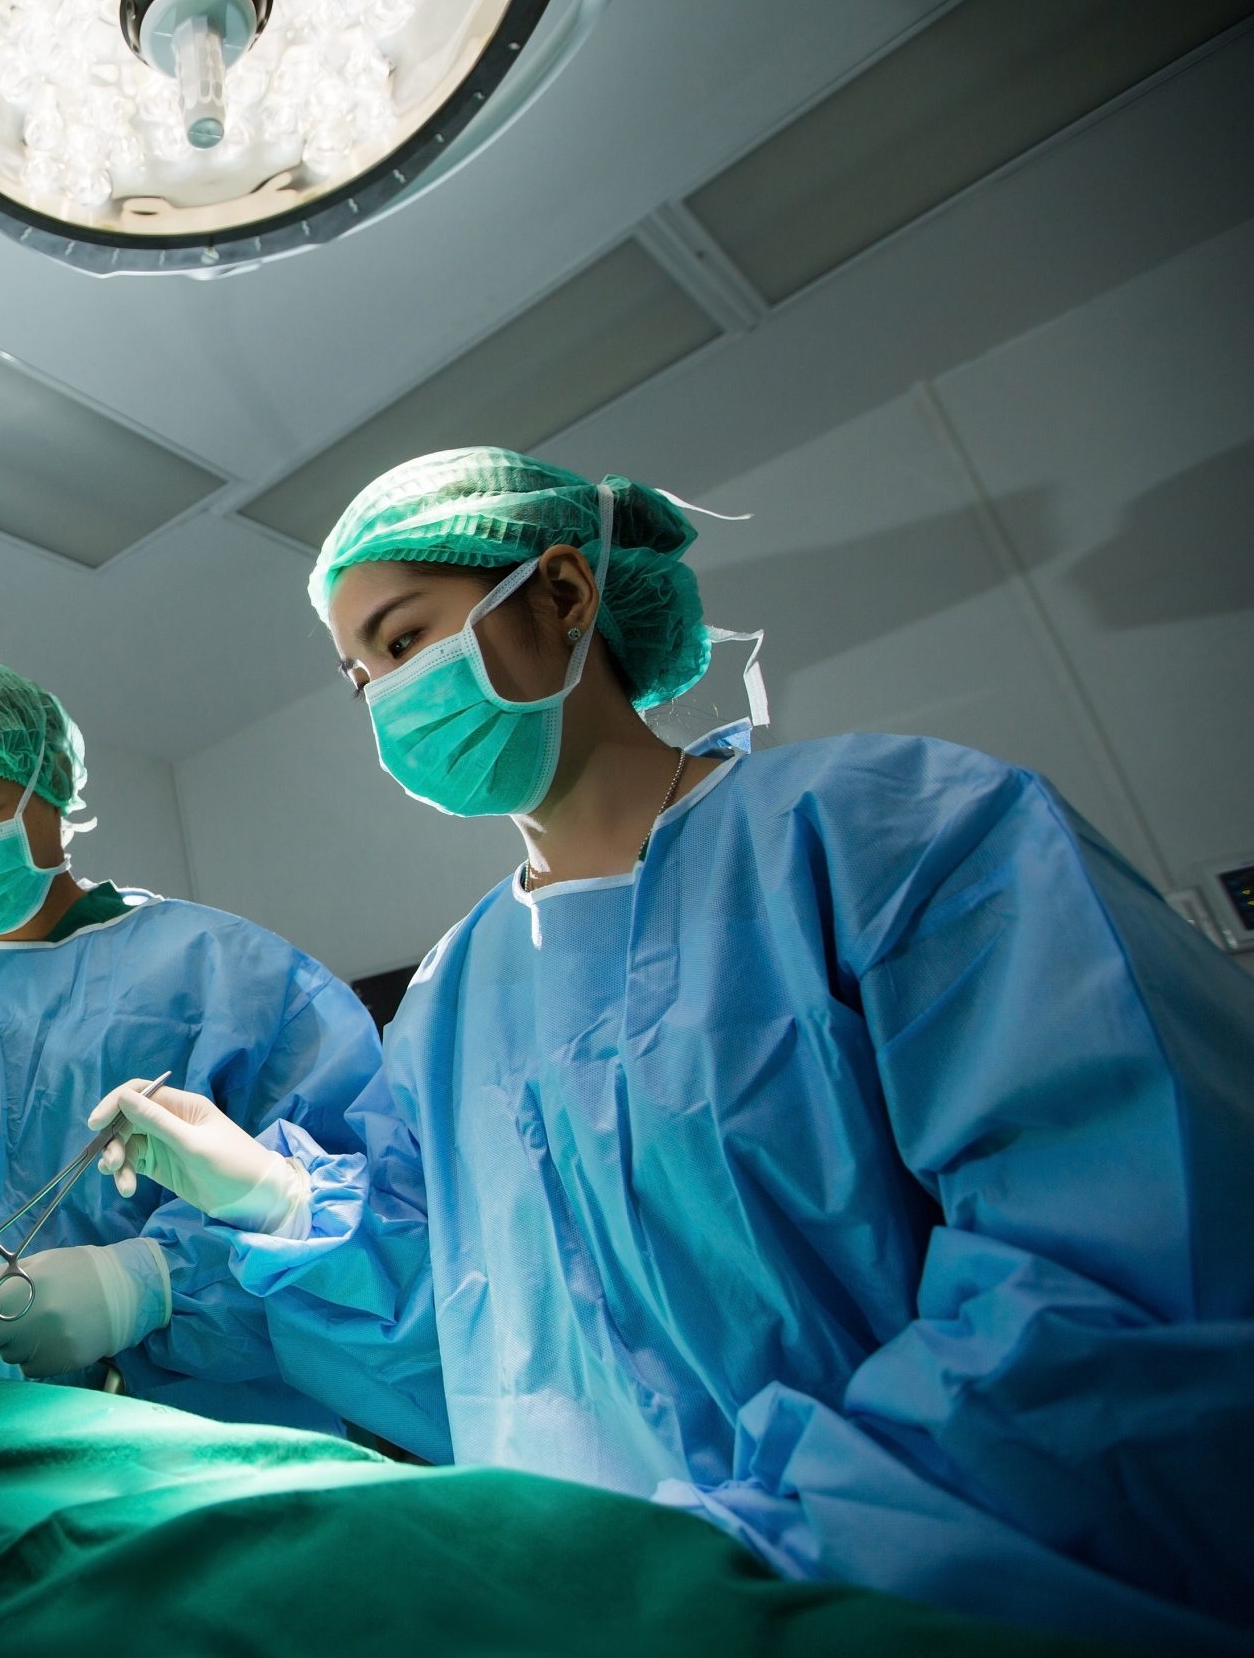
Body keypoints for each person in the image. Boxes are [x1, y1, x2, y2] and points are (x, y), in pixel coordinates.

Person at [94, 448, 1254, 1651]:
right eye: (357, 676)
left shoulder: (894, 838)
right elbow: (459, 1313)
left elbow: (1108, 1277)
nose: (384, 696)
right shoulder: (453, 992)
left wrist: (746, 1557)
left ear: (560, 596)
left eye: (403, 642)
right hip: (592, 1611)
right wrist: (276, 1198)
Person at [0, 652, 384, 1431]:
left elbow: (351, 1217)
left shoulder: (231, 976)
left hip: (205, 1446)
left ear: (47, 785)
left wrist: (145, 1285)